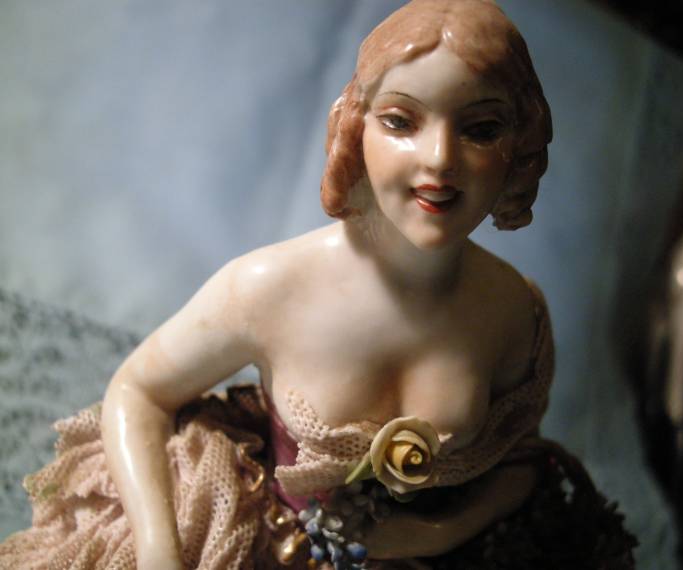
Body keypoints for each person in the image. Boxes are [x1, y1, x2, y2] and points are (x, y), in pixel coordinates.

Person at [0, 1, 635, 568]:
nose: (440, 159)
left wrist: (432, 534)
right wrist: (160, 551)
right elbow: (138, 391)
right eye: (401, 121)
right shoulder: (267, 288)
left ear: (519, 145)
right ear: (357, 127)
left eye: (481, 128)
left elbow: (520, 463)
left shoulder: (514, 310)